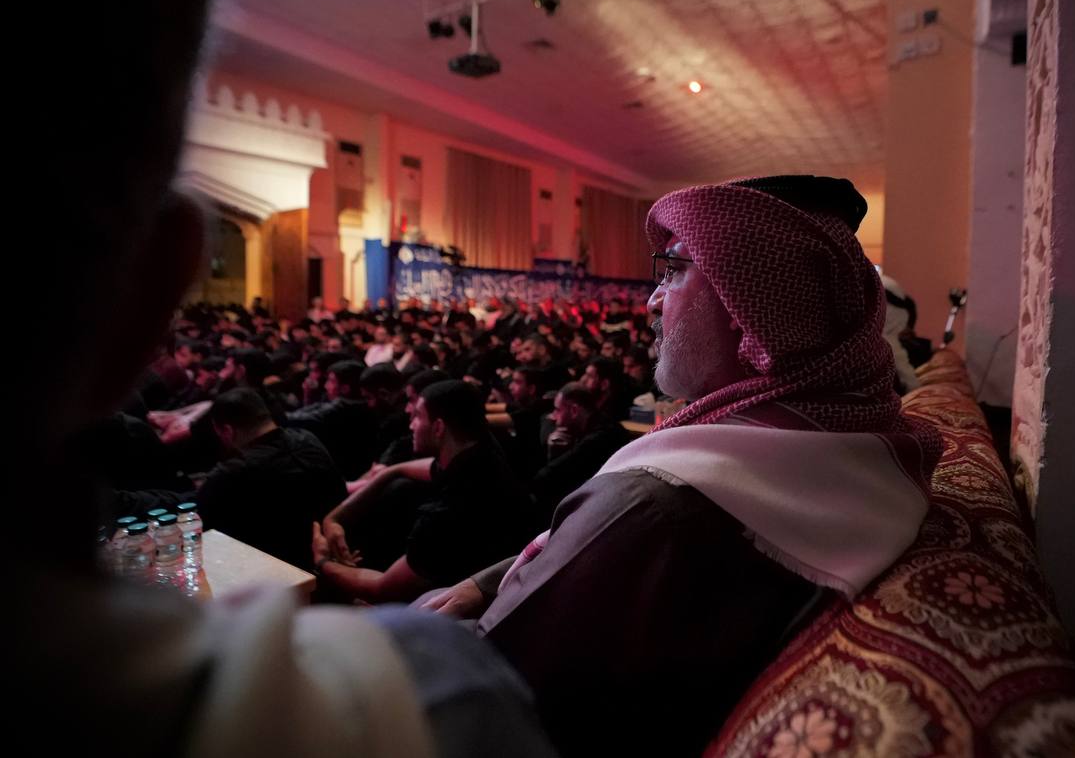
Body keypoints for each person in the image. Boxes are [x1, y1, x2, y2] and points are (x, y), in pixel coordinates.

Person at [14, 0, 555, 756]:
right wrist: (345, 504)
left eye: (419, 411)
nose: (406, 418)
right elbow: (397, 476)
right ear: (153, 296)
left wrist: (323, 544)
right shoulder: (439, 704)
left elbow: (390, 577)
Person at [423, 175, 942, 757]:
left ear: (754, 310)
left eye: (672, 271)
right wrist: (483, 583)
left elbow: (479, 688)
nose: (651, 301)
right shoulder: (869, 441)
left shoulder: (661, 502)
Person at [315, 381, 533, 602]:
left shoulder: (448, 512)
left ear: (438, 428)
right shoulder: (481, 449)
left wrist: (323, 562)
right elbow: (411, 469)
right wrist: (335, 518)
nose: (411, 425)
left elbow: (383, 589)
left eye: (417, 416)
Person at [198, 388, 346, 569]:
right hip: (338, 557)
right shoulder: (308, 438)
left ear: (227, 431)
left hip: (279, 575)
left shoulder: (229, 475)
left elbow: (206, 536)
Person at [528, 382, 631, 525]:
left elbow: (545, 478)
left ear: (574, 410)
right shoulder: (595, 424)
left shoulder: (600, 437)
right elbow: (545, 418)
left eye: (558, 410)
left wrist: (552, 453)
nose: (555, 418)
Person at [287, 359, 379, 479]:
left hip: (343, 473)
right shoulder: (343, 402)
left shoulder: (344, 406)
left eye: (331, 381)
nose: (326, 386)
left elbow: (295, 420)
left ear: (345, 388)